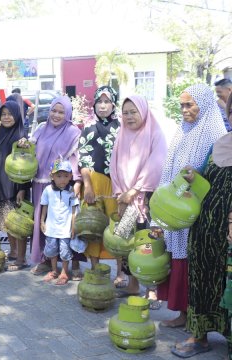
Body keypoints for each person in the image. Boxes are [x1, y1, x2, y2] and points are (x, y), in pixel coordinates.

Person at [155, 83, 227, 330]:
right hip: (176, 208)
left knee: (192, 266)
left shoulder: (215, 134)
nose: (184, 110)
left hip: (198, 214)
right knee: (179, 261)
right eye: (182, 105)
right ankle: (184, 315)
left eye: (189, 105)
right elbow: (169, 169)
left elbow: (215, 178)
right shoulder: (183, 130)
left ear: (204, 104)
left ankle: (194, 320)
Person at [171, 90, 232, 358]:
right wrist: (194, 179)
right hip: (205, 229)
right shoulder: (220, 144)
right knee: (202, 280)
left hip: (229, 233)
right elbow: (208, 183)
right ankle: (200, 336)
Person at [108, 95, 167, 301]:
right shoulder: (121, 134)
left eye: (134, 112)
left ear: (143, 111)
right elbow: (113, 165)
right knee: (126, 243)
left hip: (146, 199)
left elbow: (156, 165)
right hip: (124, 199)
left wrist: (133, 191)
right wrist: (120, 196)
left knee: (147, 245)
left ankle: (152, 290)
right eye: (125, 113)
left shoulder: (155, 133)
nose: (129, 116)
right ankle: (133, 285)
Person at [18, 96, 82, 279]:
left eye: (61, 112)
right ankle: (45, 260)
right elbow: (30, 150)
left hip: (62, 186)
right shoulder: (40, 129)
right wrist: (25, 144)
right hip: (40, 184)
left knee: (66, 224)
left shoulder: (73, 132)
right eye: (54, 110)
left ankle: (73, 263)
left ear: (68, 113)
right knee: (43, 222)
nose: (56, 115)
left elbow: (75, 159)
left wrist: (76, 182)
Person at [77, 86, 120, 273]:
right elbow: (83, 158)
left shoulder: (122, 127)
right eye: (99, 102)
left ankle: (120, 272)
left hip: (117, 183)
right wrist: (87, 186)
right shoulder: (88, 128)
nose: (102, 106)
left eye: (107, 102)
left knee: (118, 228)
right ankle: (95, 269)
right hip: (94, 182)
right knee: (92, 226)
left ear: (113, 104)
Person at [0, 100, 30, 269]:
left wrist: (22, 189)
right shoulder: (1, 133)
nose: (6, 117)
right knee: (6, 221)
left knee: (17, 223)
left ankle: (21, 259)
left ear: (17, 115)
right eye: (3, 114)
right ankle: (13, 252)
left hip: (14, 187)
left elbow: (25, 167)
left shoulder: (21, 137)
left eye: (10, 114)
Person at [39, 158, 79, 285]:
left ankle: (64, 272)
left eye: (66, 176)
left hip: (66, 229)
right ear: (52, 176)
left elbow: (74, 210)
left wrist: (73, 226)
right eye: (59, 176)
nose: (62, 179)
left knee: (65, 251)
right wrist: (42, 221)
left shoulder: (72, 191)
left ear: (70, 176)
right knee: (51, 250)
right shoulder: (48, 190)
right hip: (51, 228)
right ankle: (54, 270)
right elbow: (44, 206)